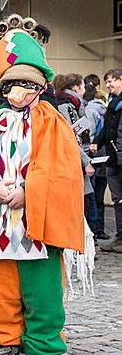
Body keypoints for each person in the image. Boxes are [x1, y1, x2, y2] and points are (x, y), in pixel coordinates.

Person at [0, 27, 84, 355]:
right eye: (12, 84)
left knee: (42, 295)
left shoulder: (52, 122)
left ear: (40, 86)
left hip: (38, 227)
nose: (19, 92)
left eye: (27, 85)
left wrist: (29, 192)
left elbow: (64, 170)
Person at [55, 74, 97, 239]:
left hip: (77, 157)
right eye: (82, 86)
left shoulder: (72, 103)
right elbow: (70, 137)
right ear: (76, 87)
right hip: (73, 160)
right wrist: (86, 161)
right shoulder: (67, 106)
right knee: (81, 205)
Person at [93, 68, 122, 253]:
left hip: (119, 157)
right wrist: (97, 142)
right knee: (118, 200)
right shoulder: (111, 103)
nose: (108, 85)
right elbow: (107, 128)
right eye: (107, 82)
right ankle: (120, 238)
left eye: (111, 81)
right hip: (113, 159)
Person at [83, 76, 108, 241]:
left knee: (91, 196)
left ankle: (93, 230)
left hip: (92, 156)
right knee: (99, 196)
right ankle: (100, 228)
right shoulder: (106, 110)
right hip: (105, 156)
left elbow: (90, 134)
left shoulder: (88, 110)